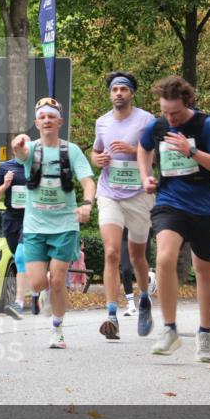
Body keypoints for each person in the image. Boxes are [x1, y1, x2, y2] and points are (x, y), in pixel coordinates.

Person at [137, 76, 210, 363]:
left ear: (188, 103)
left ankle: (204, 334)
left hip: (205, 208)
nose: (171, 119)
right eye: (165, 112)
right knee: (164, 257)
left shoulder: (207, 126)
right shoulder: (157, 126)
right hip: (170, 203)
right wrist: (146, 177)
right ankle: (169, 329)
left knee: (204, 269)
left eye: (176, 113)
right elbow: (143, 148)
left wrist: (191, 151)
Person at [11, 96, 95, 349]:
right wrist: (17, 145)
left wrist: (87, 204)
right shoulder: (32, 149)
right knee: (38, 283)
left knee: (58, 280)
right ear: (36, 123)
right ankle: (45, 294)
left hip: (65, 225)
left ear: (60, 121)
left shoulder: (72, 151)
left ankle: (57, 329)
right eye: (42, 117)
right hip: (35, 226)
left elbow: (88, 181)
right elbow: (20, 153)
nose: (47, 120)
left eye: (51, 116)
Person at [90, 70, 156, 340]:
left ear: (132, 93)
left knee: (138, 257)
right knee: (111, 253)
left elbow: (156, 153)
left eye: (123, 89)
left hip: (139, 194)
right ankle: (111, 315)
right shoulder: (102, 122)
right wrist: (97, 159)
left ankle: (145, 300)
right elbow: (96, 151)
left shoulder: (146, 120)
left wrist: (133, 150)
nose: (119, 93)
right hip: (110, 193)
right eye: (115, 89)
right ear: (110, 94)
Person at [0, 147, 29, 319]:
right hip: (11, 219)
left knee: (20, 257)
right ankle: (38, 288)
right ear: (15, 149)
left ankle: (19, 302)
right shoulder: (6, 167)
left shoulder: (38, 166)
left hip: (32, 218)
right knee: (18, 256)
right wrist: (5, 185)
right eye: (19, 146)